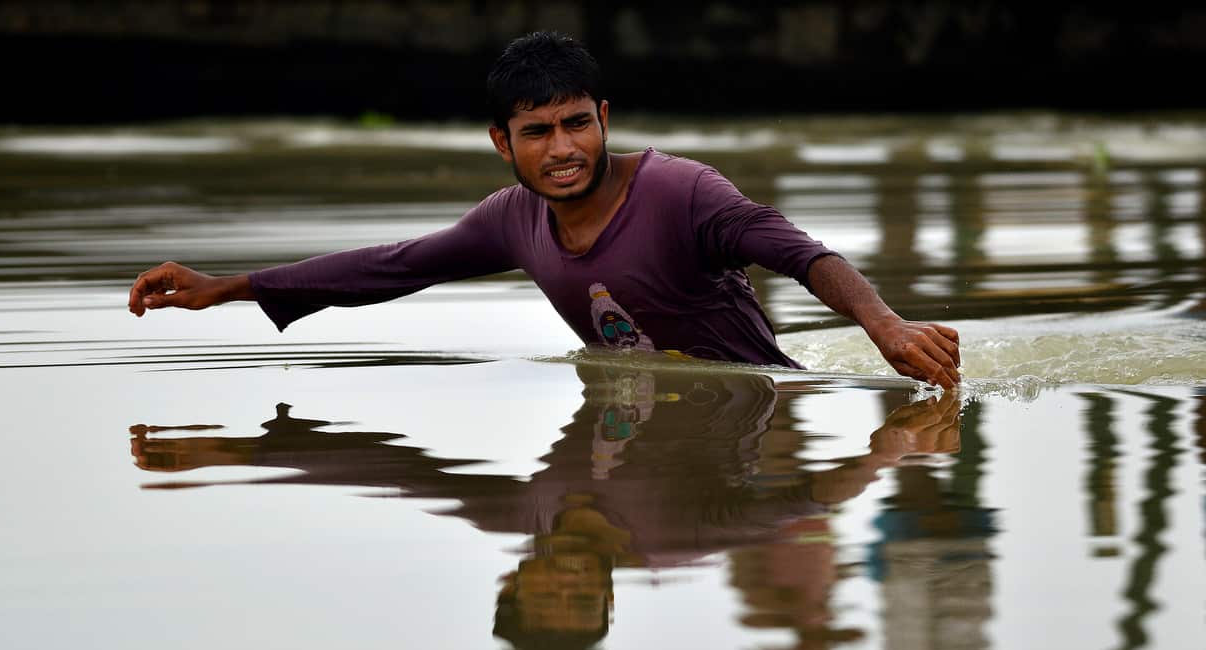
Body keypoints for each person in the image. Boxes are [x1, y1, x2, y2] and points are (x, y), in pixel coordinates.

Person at [127, 31, 961, 389]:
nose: (561, 148)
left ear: (604, 118)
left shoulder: (683, 191)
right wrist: (226, 287)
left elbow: (801, 254)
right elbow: (388, 268)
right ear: (503, 141)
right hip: (641, 407)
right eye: (537, 132)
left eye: (575, 123)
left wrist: (884, 326)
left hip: (755, 397)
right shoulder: (509, 220)